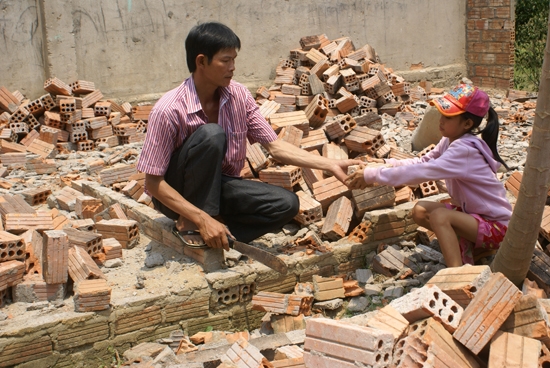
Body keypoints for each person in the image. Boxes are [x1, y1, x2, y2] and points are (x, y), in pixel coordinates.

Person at [137, 22, 361, 251]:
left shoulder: (239, 96)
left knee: (287, 204)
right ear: (201, 61)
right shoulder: (168, 109)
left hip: (218, 186)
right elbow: (153, 184)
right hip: (178, 193)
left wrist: (330, 164)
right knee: (212, 134)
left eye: (234, 59)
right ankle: (193, 221)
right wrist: (201, 217)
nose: (233, 67)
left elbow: (275, 147)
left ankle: (220, 233)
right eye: (225, 60)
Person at [345, 84, 512, 267]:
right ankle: (476, 248)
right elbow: (422, 162)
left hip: (497, 227)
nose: (440, 120)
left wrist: (372, 175)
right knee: (421, 210)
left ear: (467, 124)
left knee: (441, 216)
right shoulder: (449, 140)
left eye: (448, 117)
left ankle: (458, 275)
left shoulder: (464, 150)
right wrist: (385, 164)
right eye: (442, 114)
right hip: (474, 218)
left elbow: (422, 173)